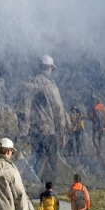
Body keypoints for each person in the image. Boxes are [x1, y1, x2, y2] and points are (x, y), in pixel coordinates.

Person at [17, 55, 70, 183]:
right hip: (47, 131)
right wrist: (62, 135)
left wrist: (23, 131)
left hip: (32, 131)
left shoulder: (28, 84)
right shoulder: (50, 86)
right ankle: (45, 194)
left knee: (37, 158)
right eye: (51, 68)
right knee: (51, 165)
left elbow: (21, 110)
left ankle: (28, 184)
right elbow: (58, 111)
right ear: (48, 68)